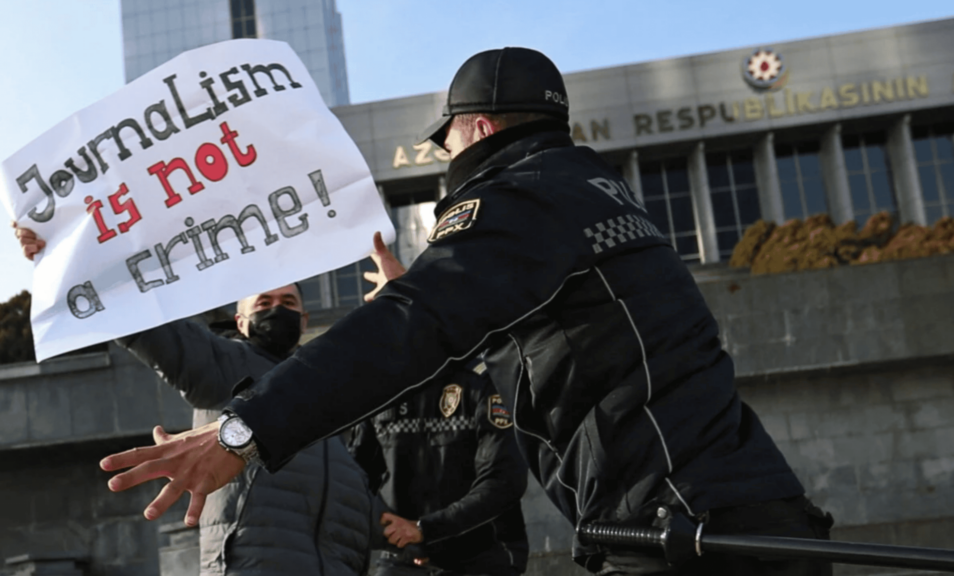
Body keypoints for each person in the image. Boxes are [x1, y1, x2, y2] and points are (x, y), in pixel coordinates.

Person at [99, 47, 834, 575]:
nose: (442, 152)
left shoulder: (520, 197)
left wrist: (244, 430)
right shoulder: (592, 192)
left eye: (445, 137)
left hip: (683, 530)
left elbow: (419, 325)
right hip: (737, 515)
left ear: (477, 128)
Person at [14, 223, 384, 576]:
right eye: (264, 302)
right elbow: (143, 319)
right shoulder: (223, 364)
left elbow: (358, 489)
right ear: (240, 322)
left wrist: (409, 533)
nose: (276, 308)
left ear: (304, 320)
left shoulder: (330, 390)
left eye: (287, 301)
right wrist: (68, 256)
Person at [348, 240, 529, 576]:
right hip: (399, 559)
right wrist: (398, 536)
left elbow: (504, 481)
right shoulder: (377, 390)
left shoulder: (483, 379)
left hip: (482, 560)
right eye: (391, 308)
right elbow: (354, 479)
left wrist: (426, 529)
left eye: (411, 304)